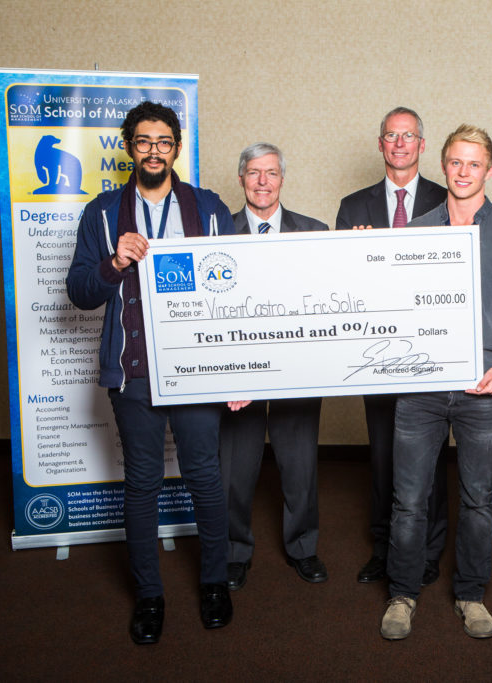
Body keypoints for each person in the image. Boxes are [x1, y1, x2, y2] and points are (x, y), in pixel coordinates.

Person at [65, 102, 236, 644]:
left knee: (205, 477)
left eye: (164, 141)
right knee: (141, 484)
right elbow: (79, 292)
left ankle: (214, 582)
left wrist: (238, 373)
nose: (154, 150)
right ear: (129, 147)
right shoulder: (101, 212)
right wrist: (112, 264)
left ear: (177, 147)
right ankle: (149, 595)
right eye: (144, 141)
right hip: (132, 371)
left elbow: (239, 291)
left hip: (196, 368)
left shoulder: (209, 210)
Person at [379, 124, 492, 641]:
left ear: (489, 170)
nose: (464, 172)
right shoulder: (416, 230)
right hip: (421, 392)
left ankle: (470, 595)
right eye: (455, 162)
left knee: (478, 499)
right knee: (408, 499)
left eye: (474, 164)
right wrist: (363, 258)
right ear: (443, 166)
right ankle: (402, 595)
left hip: (483, 390)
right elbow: (386, 302)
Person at [335, 107, 450, 586]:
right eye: (391, 136)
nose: (400, 143)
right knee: (383, 452)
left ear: (422, 145)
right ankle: (384, 548)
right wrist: (358, 254)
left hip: (432, 350)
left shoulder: (449, 200)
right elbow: (338, 280)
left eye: (409, 136)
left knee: (433, 456)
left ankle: (428, 550)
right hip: (377, 354)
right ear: (380, 144)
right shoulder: (352, 206)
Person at [220, 143, 329, 591]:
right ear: (241, 178)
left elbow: (330, 299)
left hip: (297, 370)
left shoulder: (316, 231)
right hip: (237, 371)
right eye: (253, 172)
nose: (262, 181)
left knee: (300, 466)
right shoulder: (215, 231)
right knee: (233, 469)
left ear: (283, 179)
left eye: (270, 172)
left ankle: (303, 546)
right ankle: (232, 552)